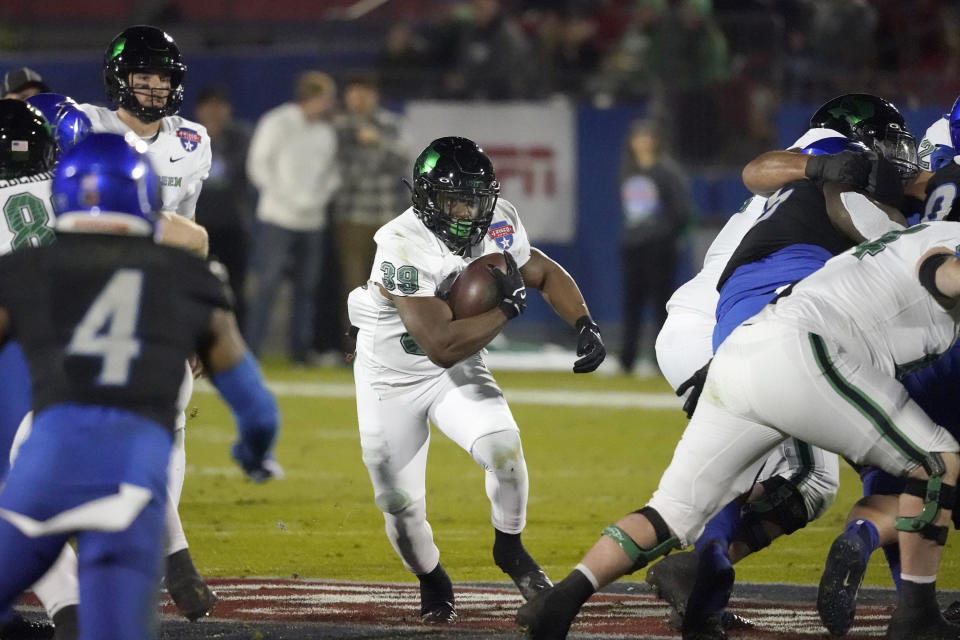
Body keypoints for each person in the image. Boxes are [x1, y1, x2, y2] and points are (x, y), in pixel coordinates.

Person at [518, 212, 960, 640]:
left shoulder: (911, 233)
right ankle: (917, 615)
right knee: (937, 461)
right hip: (802, 353)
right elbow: (938, 272)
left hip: (745, 349)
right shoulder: (946, 236)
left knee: (671, 511)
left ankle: (561, 602)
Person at [647, 93, 916, 635]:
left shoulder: (829, 184)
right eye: (888, 142)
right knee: (795, 470)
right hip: (729, 322)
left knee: (812, 481)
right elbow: (764, 168)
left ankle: (697, 568)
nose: (898, 155)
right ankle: (697, 572)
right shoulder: (829, 155)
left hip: (729, 319)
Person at [0, 132, 279, 640]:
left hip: (45, 472)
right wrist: (254, 452)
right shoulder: (191, 276)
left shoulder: (23, 270)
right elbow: (257, 409)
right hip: (132, 485)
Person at [347, 136, 606, 623]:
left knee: (505, 451)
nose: (467, 211)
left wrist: (585, 324)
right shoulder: (400, 243)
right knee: (398, 507)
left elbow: (543, 273)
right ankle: (432, 577)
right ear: (425, 199)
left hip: (458, 366)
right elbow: (440, 345)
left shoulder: (500, 220)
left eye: (475, 198)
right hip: (392, 376)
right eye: (454, 199)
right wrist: (507, 308)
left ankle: (510, 548)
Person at [76, 24, 219, 620]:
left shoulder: (194, 140)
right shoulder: (83, 125)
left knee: (169, 430)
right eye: (143, 73)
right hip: (89, 296)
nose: (155, 85)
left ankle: (164, 555)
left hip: (157, 296)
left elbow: (190, 230)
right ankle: (169, 559)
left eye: (163, 74)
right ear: (118, 77)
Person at [245, 70, 340, 364]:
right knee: (267, 286)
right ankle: (250, 350)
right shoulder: (277, 122)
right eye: (326, 98)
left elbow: (333, 174)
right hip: (277, 218)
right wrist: (290, 200)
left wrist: (316, 200)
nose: (329, 104)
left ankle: (300, 353)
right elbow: (259, 166)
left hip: (313, 222)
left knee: (307, 290)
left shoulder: (326, 132)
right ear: (312, 98)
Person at [331, 72, 409, 349]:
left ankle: (389, 347)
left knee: (388, 286)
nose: (360, 99)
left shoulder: (390, 124)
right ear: (346, 97)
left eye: (365, 92)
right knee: (353, 287)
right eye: (354, 93)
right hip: (350, 217)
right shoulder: (336, 127)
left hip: (386, 216)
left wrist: (377, 142)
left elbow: (405, 160)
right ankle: (355, 347)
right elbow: (337, 168)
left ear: (375, 95)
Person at [617, 119, 693, 375]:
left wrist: (662, 237)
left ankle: (662, 362)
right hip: (633, 247)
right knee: (631, 305)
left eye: (647, 137)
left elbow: (681, 211)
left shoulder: (668, 172)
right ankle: (626, 361)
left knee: (661, 306)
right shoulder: (629, 171)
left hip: (659, 249)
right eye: (638, 137)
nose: (642, 142)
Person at [192, 85, 254, 326]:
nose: (215, 111)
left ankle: (237, 343)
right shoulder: (187, 137)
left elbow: (232, 170)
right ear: (199, 110)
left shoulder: (242, 137)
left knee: (235, 288)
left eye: (220, 105)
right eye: (209, 105)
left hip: (233, 226)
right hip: (197, 225)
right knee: (194, 285)